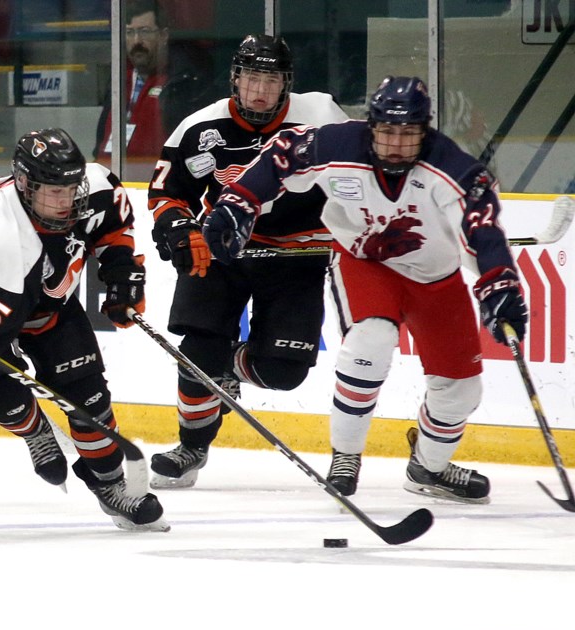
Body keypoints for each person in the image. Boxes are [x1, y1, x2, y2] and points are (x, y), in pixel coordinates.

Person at [205, 76, 529, 503]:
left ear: (425, 131)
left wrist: (498, 283)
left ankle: (429, 468)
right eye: (388, 132)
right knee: (371, 340)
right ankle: (346, 455)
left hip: (436, 277)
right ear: (371, 126)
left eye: (408, 133)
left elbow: (481, 230)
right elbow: (282, 156)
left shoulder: (455, 170)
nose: (396, 144)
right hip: (365, 263)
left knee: (462, 389)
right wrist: (240, 200)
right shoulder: (338, 146)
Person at [0, 127, 168, 531]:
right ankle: (34, 429)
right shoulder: (2, 239)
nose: (65, 201)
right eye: (53, 191)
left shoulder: (95, 186)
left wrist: (122, 277)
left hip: (44, 303)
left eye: (70, 188)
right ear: (24, 185)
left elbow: (114, 228)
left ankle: (110, 484)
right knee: (5, 397)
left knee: (88, 394)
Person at [147, 34, 347, 489]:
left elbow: (359, 170)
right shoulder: (199, 128)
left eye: (271, 79)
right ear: (235, 78)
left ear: (287, 83)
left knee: (284, 372)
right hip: (223, 248)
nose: (260, 89)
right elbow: (166, 194)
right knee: (198, 349)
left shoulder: (321, 117)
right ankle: (192, 447)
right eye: (252, 76)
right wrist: (180, 230)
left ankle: (228, 367)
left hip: (299, 254)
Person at [93, 0, 219, 178]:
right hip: (111, 185)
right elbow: (100, 143)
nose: (136, 41)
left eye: (144, 31)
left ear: (163, 35)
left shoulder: (185, 81)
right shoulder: (119, 77)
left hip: (160, 188)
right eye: (129, 32)